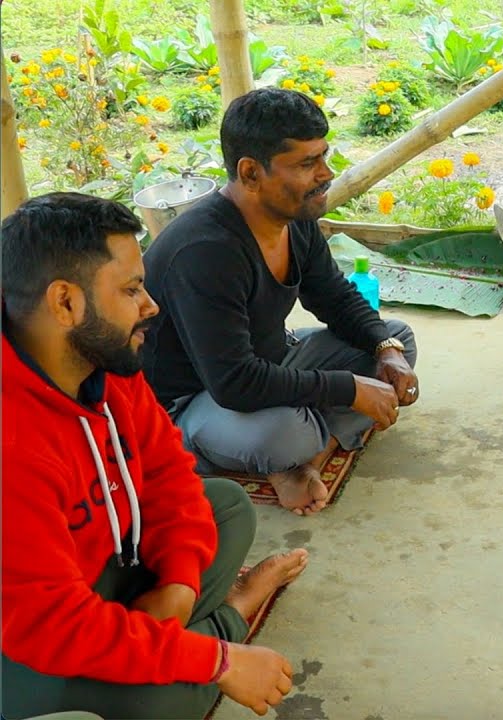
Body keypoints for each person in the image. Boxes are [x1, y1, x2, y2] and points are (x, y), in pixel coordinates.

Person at [2, 193, 307, 719]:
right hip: (22, 633)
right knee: (163, 703)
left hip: (96, 566)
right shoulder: (11, 447)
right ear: (66, 303)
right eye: (131, 289)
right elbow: (50, 624)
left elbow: (170, 473)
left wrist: (179, 585)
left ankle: (164, 636)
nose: (151, 304)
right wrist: (216, 660)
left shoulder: (105, 363)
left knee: (226, 507)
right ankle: (236, 612)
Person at [141, 88, 419, 516]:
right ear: (251, 173)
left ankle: (299, 464)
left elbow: (336, 298)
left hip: (268, 361)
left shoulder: (294, 214)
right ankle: (289, 453)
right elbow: (234, 382)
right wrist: (347, 388)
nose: (325, 174)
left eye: (323, 157)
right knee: (288, 432)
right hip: (194, 402)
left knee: (397, 341)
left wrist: (384, 350)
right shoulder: (205, 252)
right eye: (307, 164)